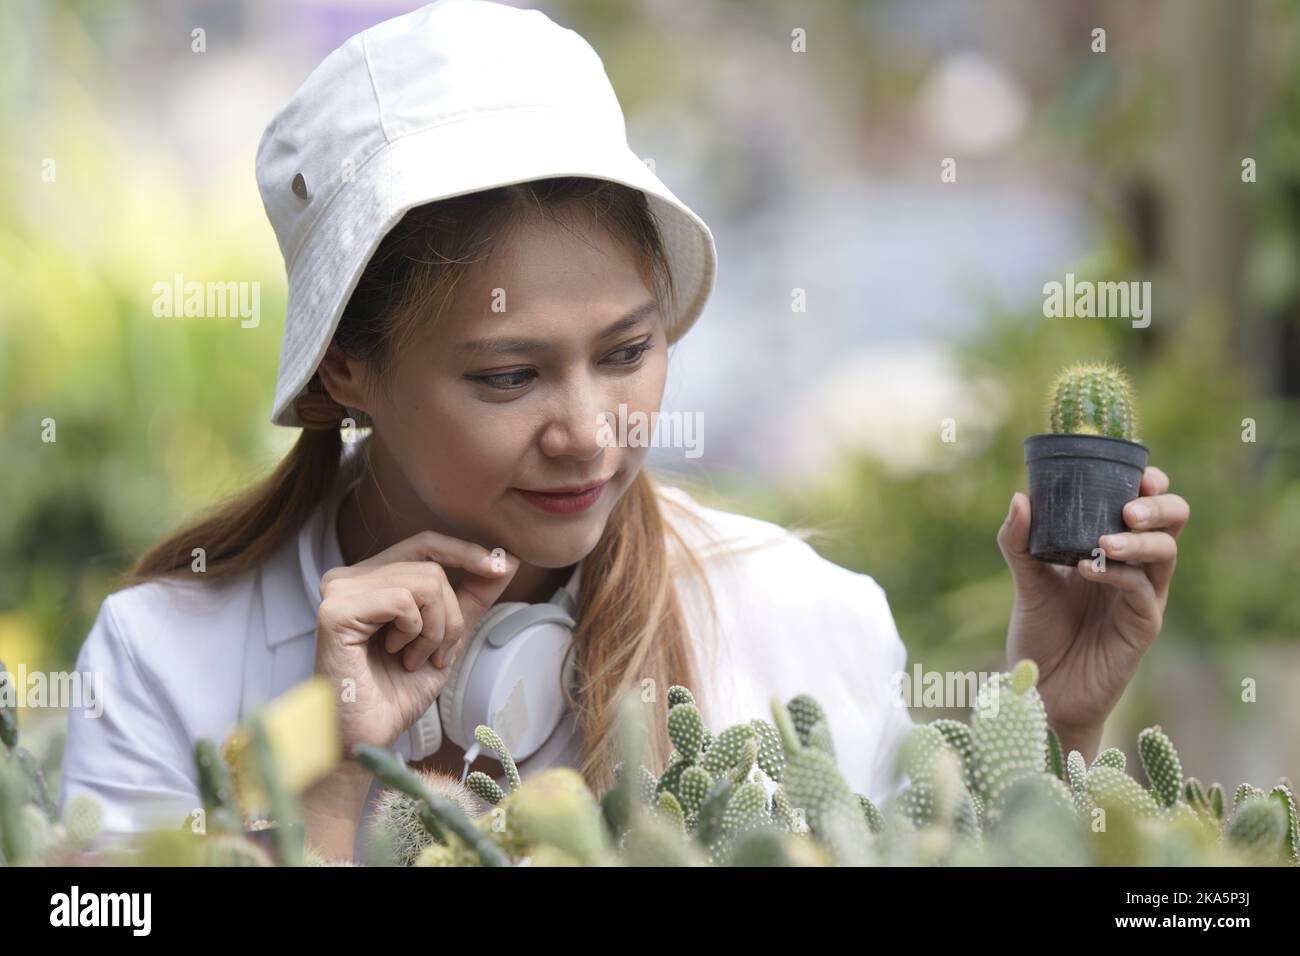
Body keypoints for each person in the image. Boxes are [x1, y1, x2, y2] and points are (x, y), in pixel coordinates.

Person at [58, 0, 1189, 864]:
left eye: (627, 351)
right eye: (509, 375)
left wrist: (1056, 720)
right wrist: (324, 778)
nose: (592, 436)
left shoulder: (803, 615)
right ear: (345, 368)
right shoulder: (162, 662)